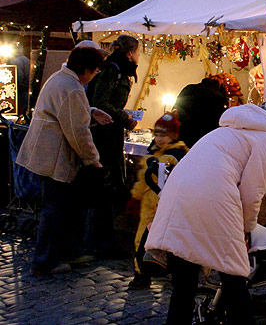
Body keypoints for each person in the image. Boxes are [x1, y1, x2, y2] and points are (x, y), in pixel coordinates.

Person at [145, 97, 266, 325]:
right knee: (234, 277)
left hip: (177, 197)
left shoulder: (231, 129)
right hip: (213, 198)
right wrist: (247, 228)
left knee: (184, 284)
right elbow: (252, 192)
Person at [16, 42, 112, 275]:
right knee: (55, 210)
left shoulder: (59, 78)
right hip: (54, 158)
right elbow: (78, 132)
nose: (96, 74)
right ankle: (46, 261)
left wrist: (90, 111)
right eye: (96, 70)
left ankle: (65, 253)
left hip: (45, 154)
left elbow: (67, 114)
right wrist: (94, 160)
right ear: (87, 70)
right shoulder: (72, 88)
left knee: (61, 208)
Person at [87, 34, 140, 258]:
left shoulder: (119, 70)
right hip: (104, 134)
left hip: (111, 132)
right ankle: (102, 241)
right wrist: (124, 118)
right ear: (130, 52)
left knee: (111, 186)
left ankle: (105, 239)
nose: (139, 56)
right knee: (106, 185)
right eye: (137, 51)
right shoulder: (112, 70)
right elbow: (101, 102)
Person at [128, 111, 189, 289]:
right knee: (141, 240)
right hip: (149, 206)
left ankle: (170, 270)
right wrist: (135, 196)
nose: (160, 138)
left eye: (165, 134)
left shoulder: (178, 154)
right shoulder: (152, 151)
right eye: (158, 134)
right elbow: (143, 179)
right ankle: (141, 274)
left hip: (167, 204)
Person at [173, 77, 228, 147]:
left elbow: (176, 109)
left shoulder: (189, 88)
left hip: (182, 137)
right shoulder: (217, 96)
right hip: (204, 139)